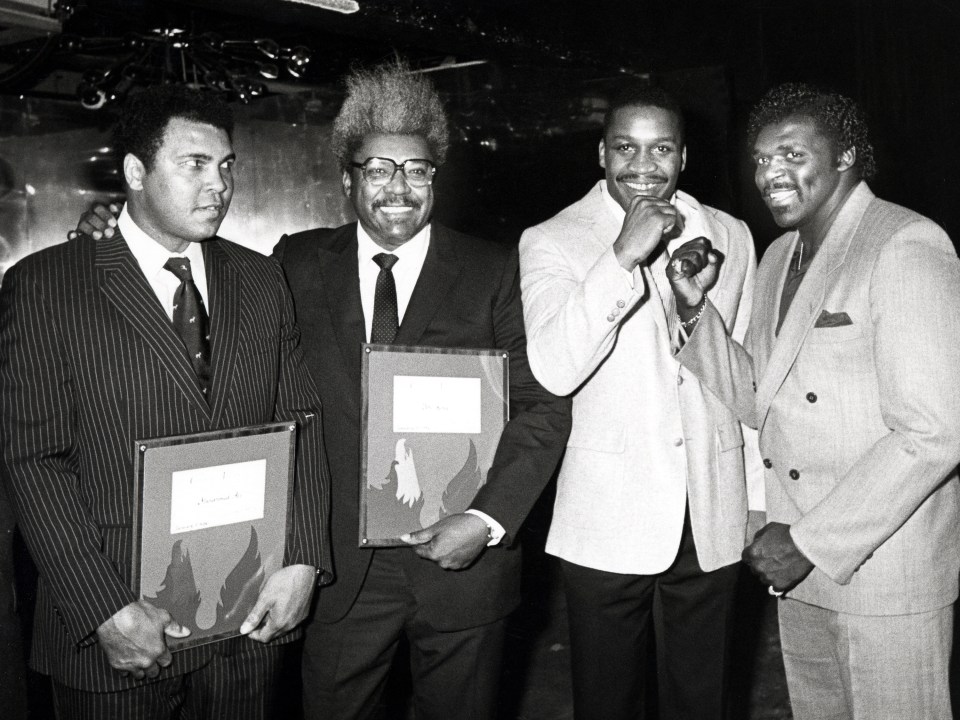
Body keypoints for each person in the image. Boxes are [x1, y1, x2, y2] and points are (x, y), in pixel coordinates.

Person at [0, 85, 331, 719]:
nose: (220, 186)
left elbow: (301, 425)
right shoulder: (46, 285)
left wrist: (306, 560)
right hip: (123, 625)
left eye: (227, 165)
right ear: (135, 172)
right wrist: (102, 606)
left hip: (247, 618)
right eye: (195, 164)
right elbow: (32, 459)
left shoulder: (262, 279)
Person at [275, 60, 570, 720]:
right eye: (379, 169)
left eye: (416, 170)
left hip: (464, 564)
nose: (398, 188)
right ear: (348, 178)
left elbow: (543, 405)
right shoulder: (295, 261)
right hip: (337, 567)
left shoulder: (493, 270)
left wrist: (488, 519)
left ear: (435, 177)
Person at [668, 83, 960, 720]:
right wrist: (696, 311)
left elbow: (935, 433)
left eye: (792, 155)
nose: (770, 172)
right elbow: (761, 398)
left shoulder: (906, 244)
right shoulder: (778, 256)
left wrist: (810, 541)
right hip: (800, 570)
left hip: (880, 566)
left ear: (846, 154)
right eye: (761, 158)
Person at [518, 83, 763, 720]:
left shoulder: (731, 235)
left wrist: (759, 503)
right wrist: (623, 254)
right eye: (626, 147)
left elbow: (750, 378)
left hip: (712, 506)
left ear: (684, 158)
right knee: (607, 700)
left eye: (661, 149)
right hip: (607, 517)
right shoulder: (552, 239)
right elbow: (553, 367)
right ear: (601, 154)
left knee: (702, 698)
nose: (643, 165)